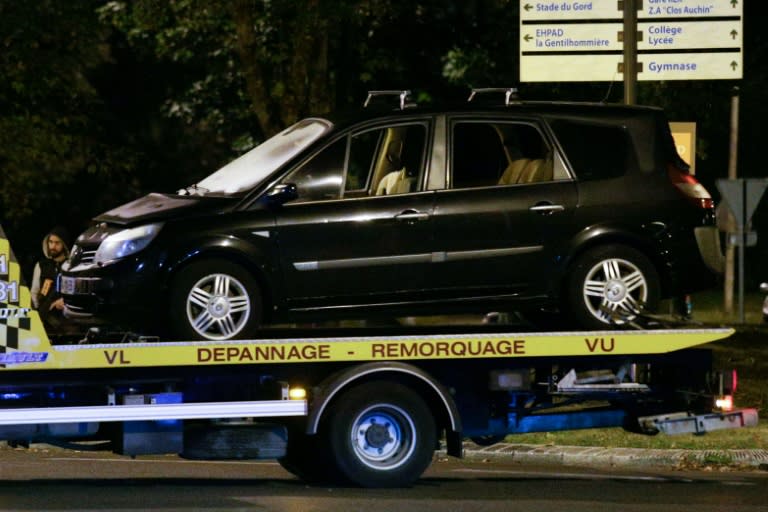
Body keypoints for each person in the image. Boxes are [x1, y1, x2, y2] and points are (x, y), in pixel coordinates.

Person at [30, 226, 75, 333]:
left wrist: (66, 302)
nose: (53, 246)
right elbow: (34, 292)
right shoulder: (41, 265)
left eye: (57, 243)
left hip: (66, 321)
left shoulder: (71, 265)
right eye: (50, 242)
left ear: (64, 245)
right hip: (44, 319)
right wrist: (36, 315)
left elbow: (77, 292)